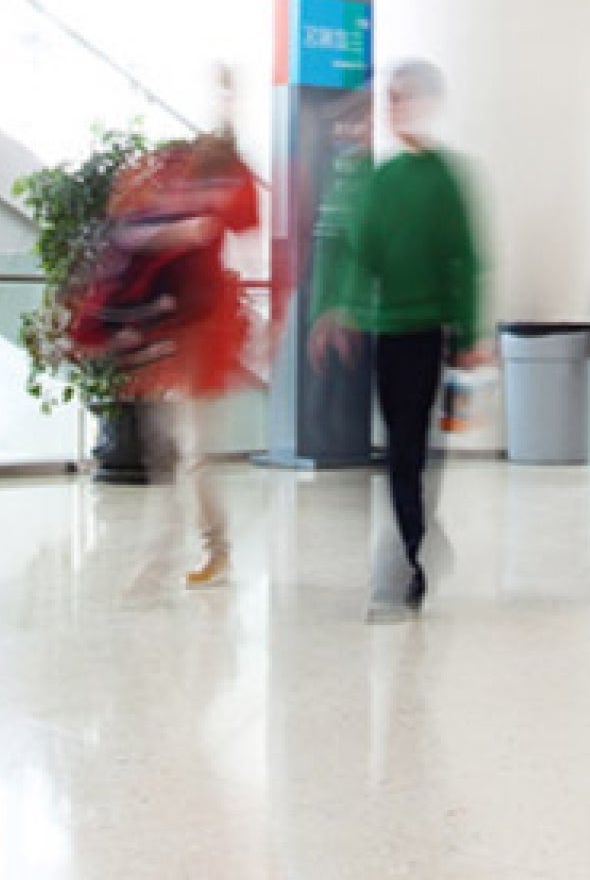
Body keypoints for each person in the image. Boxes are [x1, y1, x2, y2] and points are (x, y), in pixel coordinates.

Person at [308, 61, 486, 621]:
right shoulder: (380, 180)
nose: (394, 107)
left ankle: (407, 559)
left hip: (426, 332)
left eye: (404, 97)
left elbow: (465, 260)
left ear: (428, 103)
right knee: (400, 453)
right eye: (391, 97)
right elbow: (358, 252)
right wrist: (335, 310)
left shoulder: (446, 179)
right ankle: (418, 544)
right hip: (382, 333)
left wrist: (472, 331)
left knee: (409, 449)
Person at [70, 98, 261, 588]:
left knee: (188, 453)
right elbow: (141, 241)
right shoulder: (176, 207)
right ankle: (174, 558)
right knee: (169, 453)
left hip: (197, 342)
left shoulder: (207, 212)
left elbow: (206, 228)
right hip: (170, 341)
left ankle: (199, 553)